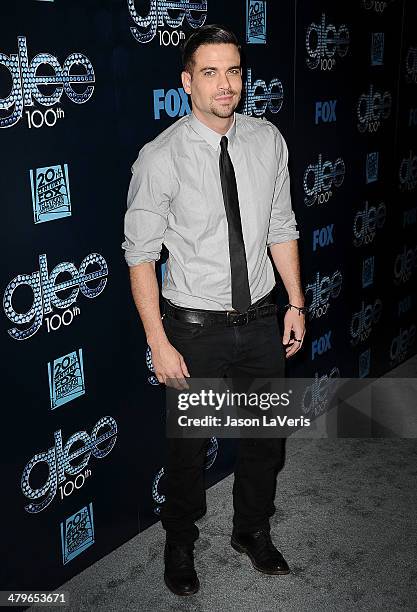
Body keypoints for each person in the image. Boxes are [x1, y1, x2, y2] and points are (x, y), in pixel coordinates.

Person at [122, 24, 306, 596]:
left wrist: (295, 302)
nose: (226, 84)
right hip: (194, 329)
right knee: (188, 450)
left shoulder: (266, 139)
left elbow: (282, 227)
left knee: (265, 440)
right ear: (186, 82)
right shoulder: (160, 157)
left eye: (234, 70)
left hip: (259, 323)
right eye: (210, 72)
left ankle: (251, 530)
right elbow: (140, 256)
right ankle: (180, 540)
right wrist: (157, 340)